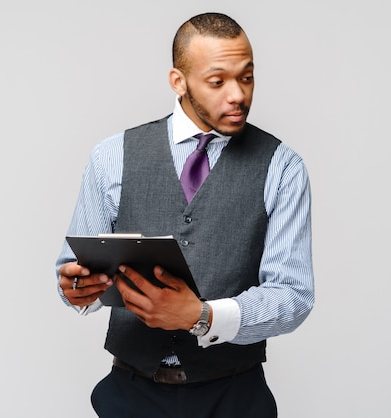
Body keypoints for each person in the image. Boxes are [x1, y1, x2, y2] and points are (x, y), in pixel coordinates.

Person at [56, 12, 314, 418]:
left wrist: (202, 316)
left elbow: (293, 296)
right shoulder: (112, 157)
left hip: (235, 399)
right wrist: (76, 289)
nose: (238, 95)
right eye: (218, 81)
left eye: (246, 77)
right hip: (129, 397)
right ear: (179, 82)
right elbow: (72, 272)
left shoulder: (283, 167)